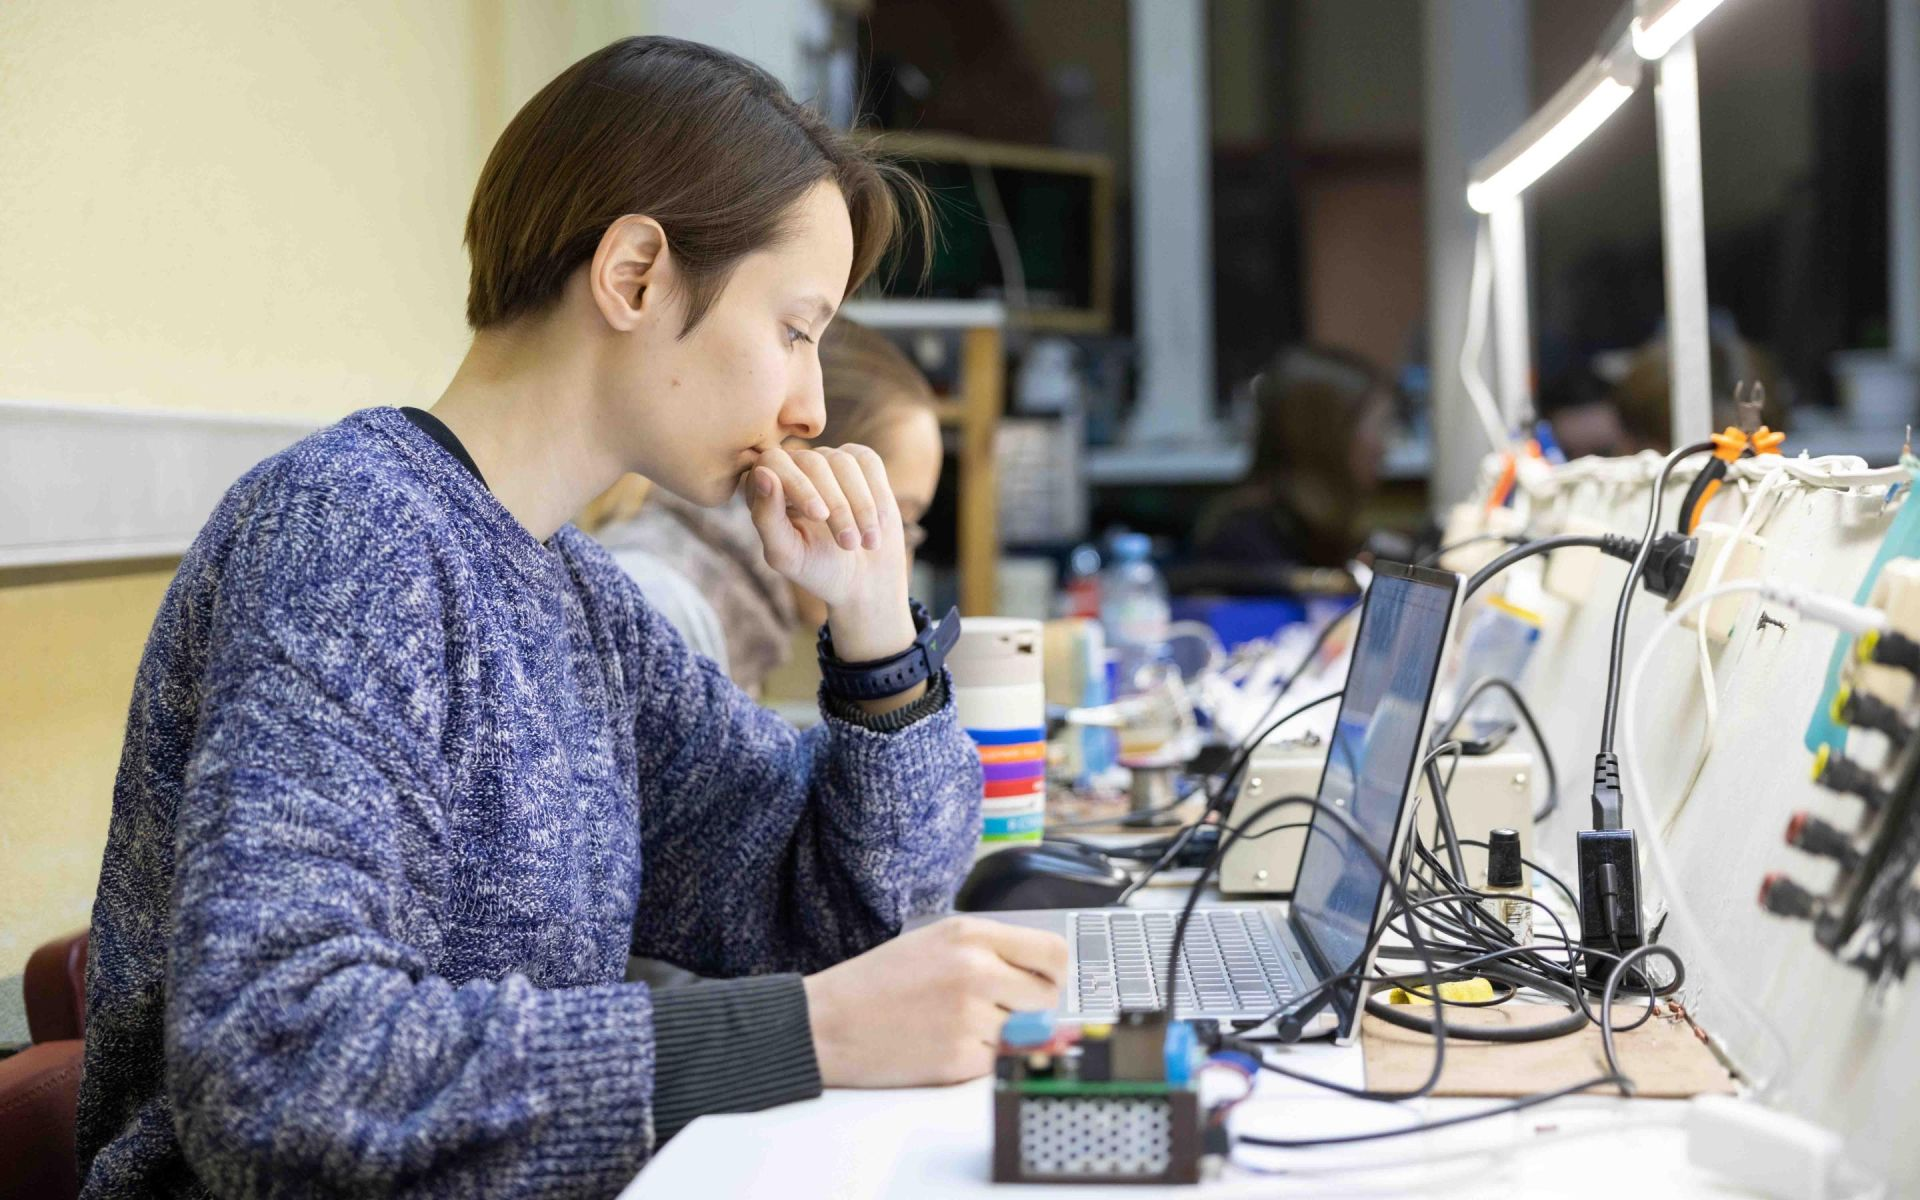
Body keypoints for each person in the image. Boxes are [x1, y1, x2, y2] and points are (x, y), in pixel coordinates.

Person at [76, 38, 1066, 1199]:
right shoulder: (350, 534)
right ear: (636, 275)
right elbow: (280, 1069)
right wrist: (810, 1032)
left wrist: (876, 637)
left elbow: (853, 915)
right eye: (797, 331)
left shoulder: (580, 597)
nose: (809, 407)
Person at [588, 317, 943, 696]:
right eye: (896, 521)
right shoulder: (660, 611)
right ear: (802, 482)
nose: (903, 569)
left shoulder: (733, 620)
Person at [1192, 345, 1394, 570]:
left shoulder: (1321, 528)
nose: (1385, 448)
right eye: (1379, 426)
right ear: (1326, 436)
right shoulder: (1247, 545)